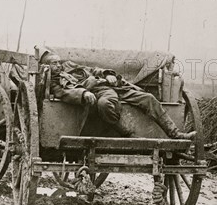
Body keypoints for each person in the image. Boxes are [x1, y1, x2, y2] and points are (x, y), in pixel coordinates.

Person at [41, 52, 196, 140]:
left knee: (148, 98)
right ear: (46, 66)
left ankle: (175, 134)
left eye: (58, 62)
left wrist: (107, 74)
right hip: (98, 92)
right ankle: (127, 134)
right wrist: (84, 92)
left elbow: (92, 69)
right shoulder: (54, 83)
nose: (58, 65)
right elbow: (65, 93)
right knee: (104, 104)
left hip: (115, 87)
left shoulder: (69, 66)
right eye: (53, 64)